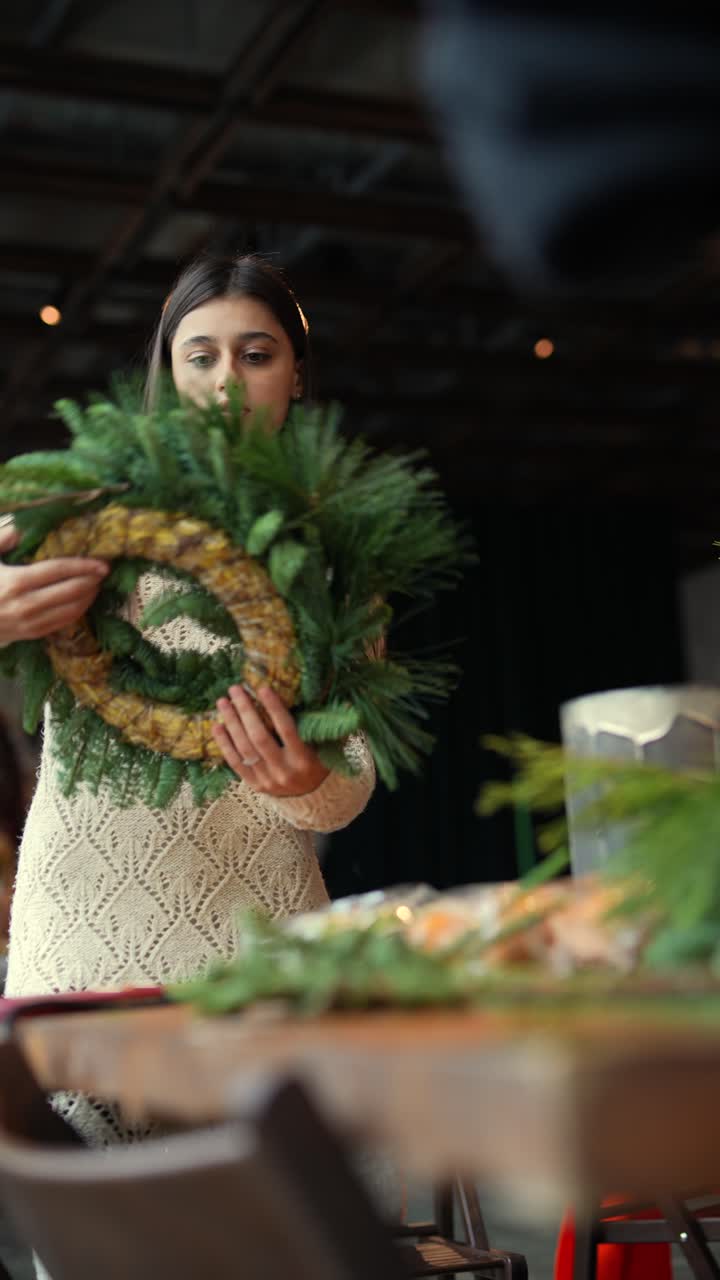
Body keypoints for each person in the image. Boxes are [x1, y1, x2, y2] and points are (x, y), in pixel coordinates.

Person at [2, 254, 377, 1145]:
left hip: (262, 957)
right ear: (169, 375)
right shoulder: (79, 507)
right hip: (83, 948)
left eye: (256, 354)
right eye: (200, 356)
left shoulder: (337, 557)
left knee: (279, 1223)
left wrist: (306, 782)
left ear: (295, 376)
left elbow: (351, 778)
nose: (225, 380)